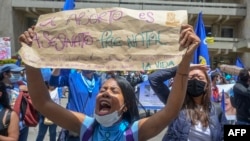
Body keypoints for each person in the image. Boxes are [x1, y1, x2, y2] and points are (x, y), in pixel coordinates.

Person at [19, 24, 200, 140]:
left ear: (125, 106)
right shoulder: (86, 127)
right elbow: (43, 103)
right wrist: (30, 59)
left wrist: (185, 61)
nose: (105, 92)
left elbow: (171, 110)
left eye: (114, 91)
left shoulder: (134, 132)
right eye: (103, 89)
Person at [149, 64, 225, 140]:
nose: (195, 80)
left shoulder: (216, 109)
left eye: (200, 78)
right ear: (185, 83)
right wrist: (183, 68)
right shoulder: (175, 104)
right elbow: (154, 79)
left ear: (207, 85)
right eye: (190, 78)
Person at [0, 64, 30, 141]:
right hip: (5, 126)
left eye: (19, 72)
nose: (18, 75)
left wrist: (29, 91)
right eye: (15, 73)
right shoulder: (1, 87)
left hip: (22, 125)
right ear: (5, 74)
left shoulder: (22, 84)